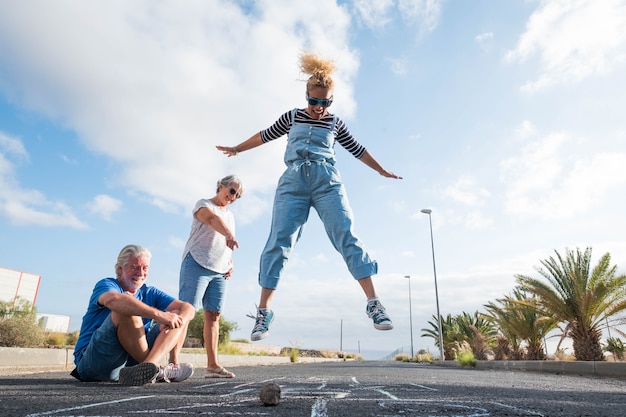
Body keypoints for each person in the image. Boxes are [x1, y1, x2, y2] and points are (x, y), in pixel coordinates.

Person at [216, 52, 402, 342]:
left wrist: (381, 170)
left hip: (327, 181)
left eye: (324, 103)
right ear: (307, 97)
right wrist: (237, 149)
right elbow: (264, 135)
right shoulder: (292, 117)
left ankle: (374, 303)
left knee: (346, 234)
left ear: (331, 101)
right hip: (293, 183)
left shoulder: (335, 124)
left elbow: (358, 149)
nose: (318, 108)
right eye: (314, 102)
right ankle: (264, 312)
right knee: (279, 240)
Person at [71, 244, 196, 386]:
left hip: (129, 366)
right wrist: (159, 315)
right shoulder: (106, 284)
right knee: (127, 310)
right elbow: (113, 300)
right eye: (134, 267)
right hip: (94, 362)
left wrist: (179, 322)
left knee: (179, 314)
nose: (141, 273)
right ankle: (156, 370)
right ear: (119, 269)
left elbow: (188, 308)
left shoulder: (149, 291)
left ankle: (156, 367)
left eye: (145, 268)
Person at [179, 175, 243, 378]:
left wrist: (230, 262)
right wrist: (230, 235)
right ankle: (172, 362)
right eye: (232, 191)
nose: (233, 197)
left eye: (238, 195)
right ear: (221, 186)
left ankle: (212, 366)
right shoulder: (203, 204)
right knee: (186, 313)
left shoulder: (231, 216)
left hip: (220, 269)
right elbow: (213, 220)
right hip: (196, 262)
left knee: (214, 315)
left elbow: (225, 245)